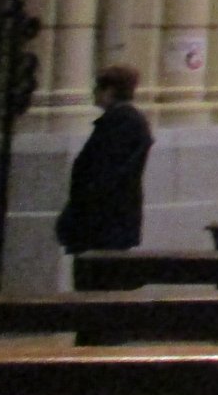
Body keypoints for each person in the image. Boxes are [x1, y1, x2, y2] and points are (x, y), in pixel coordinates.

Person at [55, 64, 153, 256]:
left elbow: (103, 173)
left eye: (96, 88)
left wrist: (81, 214)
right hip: (109, 219)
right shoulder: (124, 120)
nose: (93, 93)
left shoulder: (120, 122)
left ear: (109, 91)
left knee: (98, 277)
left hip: (103, 221)